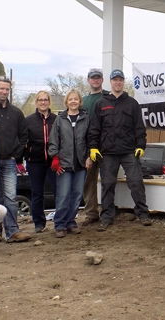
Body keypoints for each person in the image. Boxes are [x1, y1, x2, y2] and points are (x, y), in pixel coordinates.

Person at [88, 69, 152, 231]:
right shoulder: (101, 103)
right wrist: (93, 148)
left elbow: (139, 127)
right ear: (110, 82)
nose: (118, 82)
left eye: (120, 80)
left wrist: (140, 145)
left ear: (123, 82)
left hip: (129, 151)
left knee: (136, 182)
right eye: (115, 80)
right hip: (107, 152)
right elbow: (94, 128)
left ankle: (143, 214)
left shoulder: (132, 103)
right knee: (108, 184)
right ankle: (107, 217)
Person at [0, 76, 31, 243]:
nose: (4, 92)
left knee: (11, 197)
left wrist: (16, 155)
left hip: (9, 162)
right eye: (1, 88)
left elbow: (24, 136)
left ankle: (12, 231)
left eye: (7, 89)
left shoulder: (16, 113)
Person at [48, 89, 89, 238]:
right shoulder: (60, 119)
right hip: (64, 164)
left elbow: (89, 139)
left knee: (77, 195)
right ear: (66, 102)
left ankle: (71, 221)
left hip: (80, 163)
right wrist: (55, 157)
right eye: (70, 99)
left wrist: (89, 156)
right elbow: (54, 140)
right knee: (63, 195)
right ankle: (59, 224)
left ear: (79, 101)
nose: (73, 101)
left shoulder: (85, 118)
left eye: (76, 99)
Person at [24, 90, 57, 233]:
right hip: (35, 162)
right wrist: (26, 155)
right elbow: (23, 140)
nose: (43, 102)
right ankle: (38, 222)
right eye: (40, 100)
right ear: (36, 102)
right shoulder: (29, 120)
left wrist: (58, 157)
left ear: (49, 101)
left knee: (59, 191)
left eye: (45, 99)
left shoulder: (56, 119)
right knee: (37, 193)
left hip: (53, 161)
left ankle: (60, 221)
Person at [81, 68, 109, 226]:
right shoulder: (83, 101)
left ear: (102, 80)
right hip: (88, 147)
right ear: (88, 80)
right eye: (93, 78)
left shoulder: (108, 97)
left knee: (107, 180)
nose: (96, 80)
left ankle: (107, 211)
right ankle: (91, 213)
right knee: (89, 181)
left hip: (106, 145)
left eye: (98, 78)